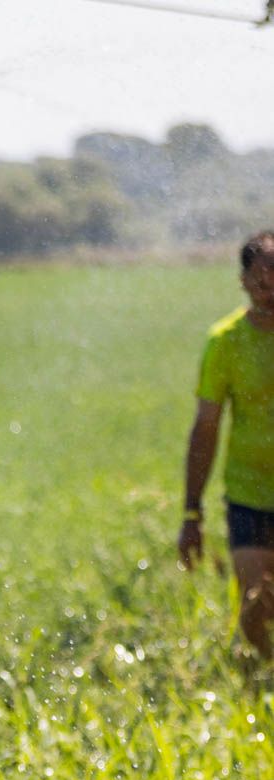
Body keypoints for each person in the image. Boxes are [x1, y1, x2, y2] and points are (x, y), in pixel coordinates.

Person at [179, 231, 274, 664]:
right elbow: (206, 429)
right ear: (243, 281)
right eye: (262, 283)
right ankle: (264, 677)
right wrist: (191, 512)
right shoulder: (225, 342)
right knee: (255, 606)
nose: (270, 293)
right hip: (248, 494)